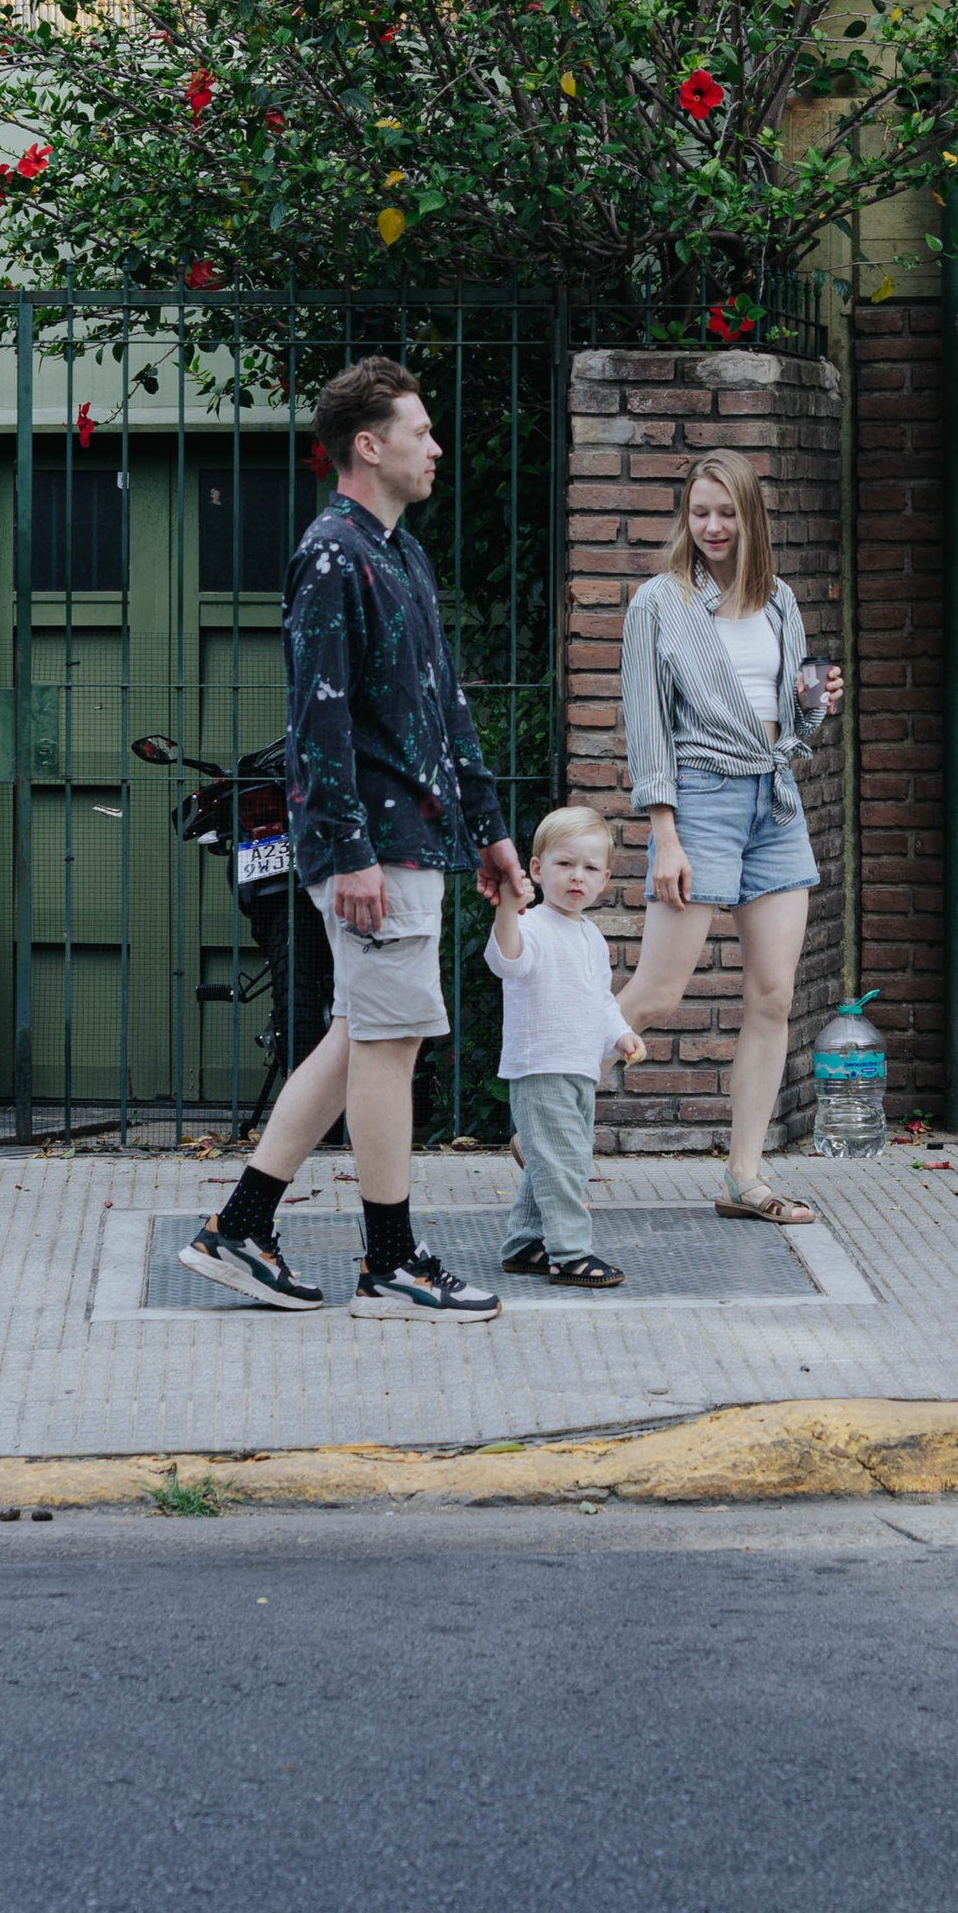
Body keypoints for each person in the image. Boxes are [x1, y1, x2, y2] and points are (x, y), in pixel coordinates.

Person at [181, 356, 527, 1319]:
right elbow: (317, 720)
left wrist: (491, 831)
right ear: (368, 446)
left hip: (417, 838)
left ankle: (241, 1226)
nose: (437, 446)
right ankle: (393, 1263)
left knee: (356, 1035)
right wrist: (349, 849)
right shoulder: (332, 554)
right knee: (388, 1044)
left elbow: (444, 708)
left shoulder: (398, 552)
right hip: (377, 848)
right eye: (421, 431)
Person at [614, 449, 843, 1224]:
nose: (712, 526)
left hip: (774, 803)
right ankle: (542, 1115)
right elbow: (646, 727)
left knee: (773, 994)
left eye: (726, 511)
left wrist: (817, 704)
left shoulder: (779, 600)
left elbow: (792, 723)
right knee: (657, 991)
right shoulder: (657, 602)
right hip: (700, 799)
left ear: (752, 516)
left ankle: (745, 1178)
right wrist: (665, 834)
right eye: (699, 511)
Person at [488, 805, 647, 1291]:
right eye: (564, 864)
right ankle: (570, 1253)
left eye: (590, 868)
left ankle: (525, 1244)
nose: (577, 876)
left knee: (552, 1158)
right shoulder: (531, 926)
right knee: (565, 1162)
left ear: (605, 879)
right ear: (537, 869)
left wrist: (619, 1033)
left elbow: (600, 1000)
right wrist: (506, 910)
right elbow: (507, 961)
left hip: (580, 1070)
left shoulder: (592, 936)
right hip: (540, 1067)